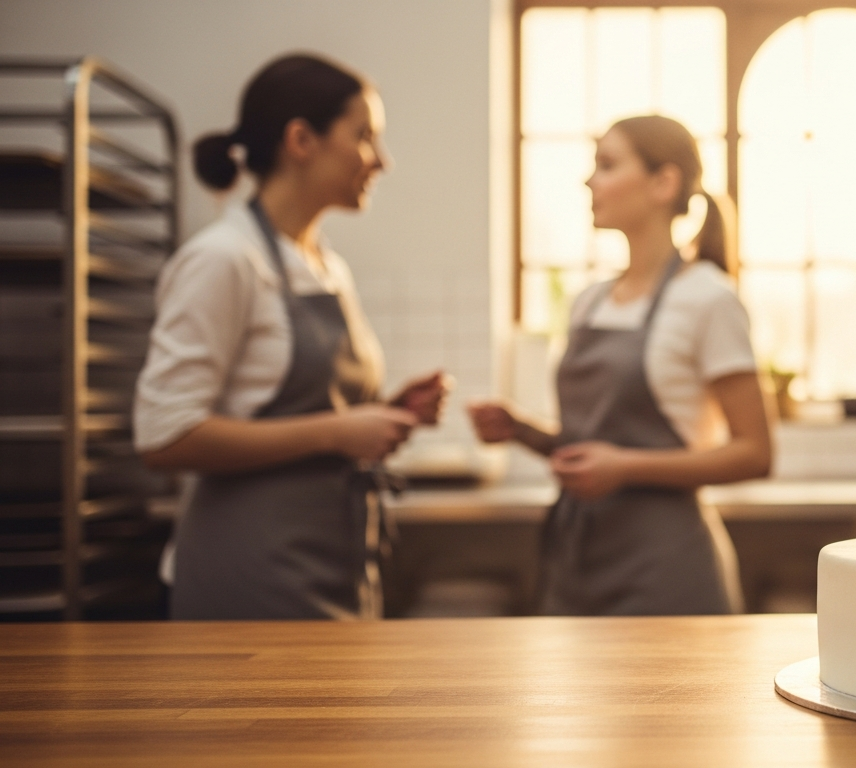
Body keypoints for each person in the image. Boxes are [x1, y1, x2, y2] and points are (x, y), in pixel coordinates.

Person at [134, 54, 448, 620]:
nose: (382, 161)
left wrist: (385, 413)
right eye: (364, 137)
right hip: (248, 582)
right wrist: (335, 432)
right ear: (301, 140)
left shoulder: (325, 264)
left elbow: (311, 413)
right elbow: (163, 436)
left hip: (332, 567)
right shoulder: (223, 260)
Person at [469, 115, 772, 616]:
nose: (590, 182)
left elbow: (755, 454)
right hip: (575, 563)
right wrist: (524, 433)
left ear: (663, 182)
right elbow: (589, 444)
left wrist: (625, 467)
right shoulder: (589, 302)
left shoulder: (707, 299)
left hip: (665, 572)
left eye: (607, 166)